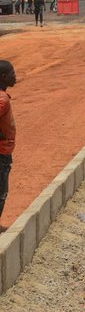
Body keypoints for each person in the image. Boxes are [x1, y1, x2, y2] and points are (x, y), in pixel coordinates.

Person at [0, 60, 17, 231]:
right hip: (1, 153)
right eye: (12, 72)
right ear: (4, 77)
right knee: (1, 192)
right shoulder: (2, 100)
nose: (15, 75)